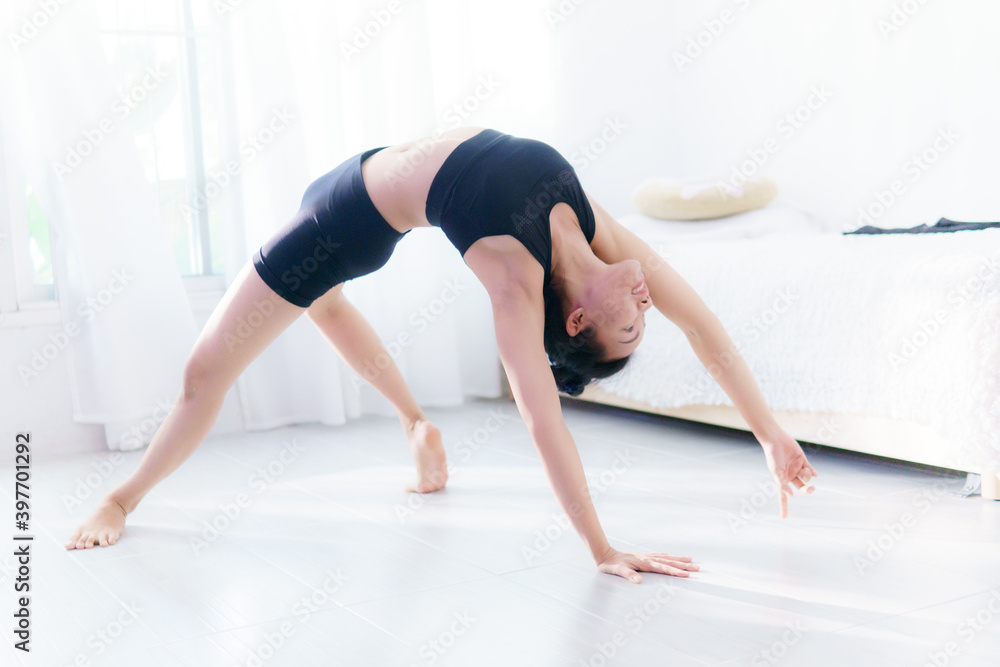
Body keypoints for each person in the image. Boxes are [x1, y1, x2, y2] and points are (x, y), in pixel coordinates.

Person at [65, 126, 817, 583]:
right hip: (358, 168)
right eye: (640, 327)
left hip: (340, 222)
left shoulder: (516, 280)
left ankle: (120, 497)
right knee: (323, 305)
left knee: (206, 370)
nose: (647, 311)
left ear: (580, 318)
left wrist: (601, 547)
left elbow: (543, 421)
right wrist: (770, 432)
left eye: (631, 331)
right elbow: (706, 326)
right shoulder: (599, 234)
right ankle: (415, 422)